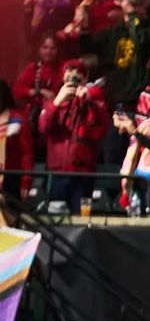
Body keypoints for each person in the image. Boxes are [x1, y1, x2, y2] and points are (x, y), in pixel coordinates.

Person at [40, 60, 109, 213]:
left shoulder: (95, 102)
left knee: (82, 217)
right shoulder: (53, 100)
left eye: (79, 74)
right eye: (70, 72)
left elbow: (101, 131)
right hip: (58, 172)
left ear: (85, 79)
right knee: (55, 217)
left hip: (83, 173)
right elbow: (43, 127)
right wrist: (58, 101)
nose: (74, 76)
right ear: (63, 76)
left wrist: (88, 101)